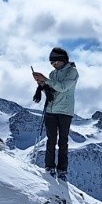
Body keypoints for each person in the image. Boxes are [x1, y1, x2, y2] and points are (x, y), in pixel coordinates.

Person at [32, 47, 78, 180]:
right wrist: (41, 87)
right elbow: (53, 90)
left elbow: (63, 88)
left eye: (55, 62)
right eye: (52, 63)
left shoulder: (72, 72)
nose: (54, 65)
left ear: (63, 60)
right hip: (51, 110)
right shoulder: (53, 74)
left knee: (63, 141)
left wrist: (45, 80)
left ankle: (62, 170)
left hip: (65, 111)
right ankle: (49, 167)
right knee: (51, 140)